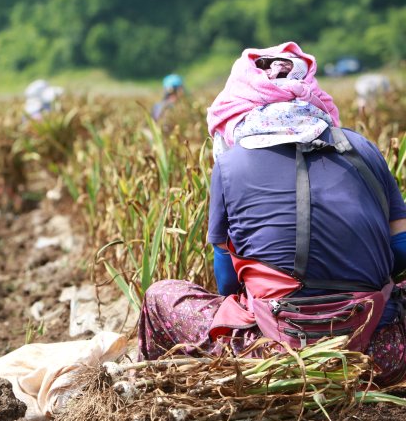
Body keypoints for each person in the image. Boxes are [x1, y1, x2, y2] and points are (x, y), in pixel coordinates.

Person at [137, 42, 406, 386]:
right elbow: (401, 251)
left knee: (160, 296)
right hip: (373, 357)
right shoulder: (363, 149)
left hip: (270, 357)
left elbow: (227, 282)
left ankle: (157, 395)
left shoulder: (230, 164)